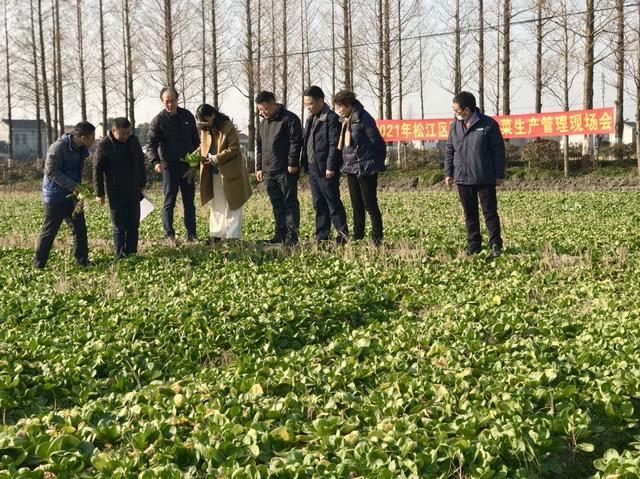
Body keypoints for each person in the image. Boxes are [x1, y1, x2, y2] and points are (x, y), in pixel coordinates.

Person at [444, 91, 505, 257]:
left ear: (467, 109)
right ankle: (474, 244)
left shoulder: (488, 124)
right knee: (469, 215)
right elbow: (450, 150)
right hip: (462, 177)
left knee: (490, 213)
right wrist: (449, 172)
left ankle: (495, 244)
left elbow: (498, 150)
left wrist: (499, 174)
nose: (455, 114)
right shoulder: (454, 126)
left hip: (484, 176)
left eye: (457, 110)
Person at [33, 121, 96, 269]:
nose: (94, 139)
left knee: (80, 229)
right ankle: (38, 265)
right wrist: (74, 186)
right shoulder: (58, 147)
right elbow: (52, 171)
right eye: (92, 136)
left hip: (72, 196)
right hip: (55, 196)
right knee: (50, 231)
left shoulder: (82, 149)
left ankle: (82, 261)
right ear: (82, 137)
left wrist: (81, 189)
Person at [146, 86, 200, 243]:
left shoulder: (188, 116)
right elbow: (151, 144)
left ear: (178, 99)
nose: (170, 104)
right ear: (162, 102)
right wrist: (155, 161)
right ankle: (169, 234)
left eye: (173, 100)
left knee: (189, 201)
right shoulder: (158, 120)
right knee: (169, 201)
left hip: (188, 165)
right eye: (167, 101)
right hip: (169, 165)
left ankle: (191, 234)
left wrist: (197, 159)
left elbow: (196, 140)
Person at [333, 90, 386, 246]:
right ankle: (358, 235)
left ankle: (377, 236)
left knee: (369, 202)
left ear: (349, 105)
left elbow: (377, 142)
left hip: (366, 167)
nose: (339, 110)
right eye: (337, 107)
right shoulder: (343, 120)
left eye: (341, 107)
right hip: (350, 167)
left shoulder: (364, 118)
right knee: (356, 203)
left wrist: (376, 161)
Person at [195, 104, 252, 241]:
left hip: (231, 172)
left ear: (213, 115)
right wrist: (193, 156)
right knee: (218, 203)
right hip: (214, 172)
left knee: (234, 202)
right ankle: (216, 235)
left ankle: (233, 236)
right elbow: (202, 147)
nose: (203, 123)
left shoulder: (227, 126)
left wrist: (216, 158)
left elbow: (234, 148)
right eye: (200, 121)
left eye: (205, 120)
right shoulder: (205, 129)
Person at [255, 91, 303, 246]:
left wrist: (292, 163)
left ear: (274, 103)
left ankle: (292, 236)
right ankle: (279, 234)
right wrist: (259, 167)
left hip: (285, 170)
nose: (262, 113)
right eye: (260, 110)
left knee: (289, 203)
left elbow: (296, 142)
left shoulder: (289, 119)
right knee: (276, 203)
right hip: (269, 170)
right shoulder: (263, 124)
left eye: (265, 109)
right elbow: (259, 147)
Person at [94, 117, 146, 259]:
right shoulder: (104, 146)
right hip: (116, 192)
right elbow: (97, 170)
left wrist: (142, 183)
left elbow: (141, 161)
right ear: (114, 131)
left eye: (128, 133)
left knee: (133, 225)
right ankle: (120, 256)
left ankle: (132, 254)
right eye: (123, 133)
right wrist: (100, 193)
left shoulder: (133, 140)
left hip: (134, 190)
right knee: (119, 227)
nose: (126, 136)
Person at [301, 86, 348, 245]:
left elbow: (334, 145)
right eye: (306, 104)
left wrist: (330, 167)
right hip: (313, 167)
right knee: (318, 203)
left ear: (321, 101)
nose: (308, 107)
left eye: (310, 104)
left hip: (326, 168)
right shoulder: (311, 118)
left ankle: (342, 237)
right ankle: (322, 237)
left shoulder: (332, 119)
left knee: (332, 202)